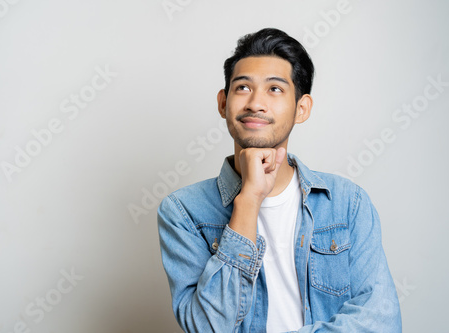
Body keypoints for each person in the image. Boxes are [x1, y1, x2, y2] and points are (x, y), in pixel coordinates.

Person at [157, 27, 402, 332]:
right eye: (243, 87)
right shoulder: (184, 212)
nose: (255, 103)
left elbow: (381, 322)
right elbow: (208, 327)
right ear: (223, 103)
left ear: (301, 108)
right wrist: (248, 201)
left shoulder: (346, 202)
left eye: (275, 89)